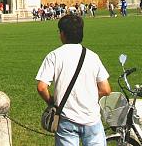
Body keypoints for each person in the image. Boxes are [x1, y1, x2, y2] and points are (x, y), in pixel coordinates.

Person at [36, 14, 111, 146]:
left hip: (66, 119)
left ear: (63, 34)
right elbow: (105, 90)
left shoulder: (54, 56)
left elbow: (42, 87)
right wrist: (90, 96)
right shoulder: (93, 56)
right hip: (91, 118)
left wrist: (51, 101)